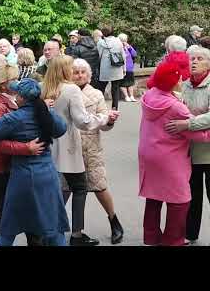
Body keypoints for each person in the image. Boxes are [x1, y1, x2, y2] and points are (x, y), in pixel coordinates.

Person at [0, 78, 69, 246]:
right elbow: (61, 129)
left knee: (9, 226)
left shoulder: (14, 118)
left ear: (21, 98)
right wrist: (47, 110)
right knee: (54, 225)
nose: (14, 96)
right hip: (48, 175)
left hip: (23, 177)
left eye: (17, 94)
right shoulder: (45, 112)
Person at [42, 55, 118, 246]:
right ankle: (73, 234)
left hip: (53, 146)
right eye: (72, 68)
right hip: (70, 146)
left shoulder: (48, 88)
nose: (75, 72)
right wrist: (103, 117)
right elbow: (82, 121)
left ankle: (48, 231)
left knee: (59, 190)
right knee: (78, 188)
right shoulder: (70, 89)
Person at [139, 60, 210, 246]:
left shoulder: (150, 95)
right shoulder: (175, 106)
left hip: (149, 153)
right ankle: (173, 239)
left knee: (154, 196)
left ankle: (151, 236)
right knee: (180, 200)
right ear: (174, 80)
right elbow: (200, 135)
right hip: (170, 158)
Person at [71, 58, 124, 244]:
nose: (79, 75)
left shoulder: (96, 95)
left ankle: (114, 221)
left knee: (100, 186)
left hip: (91, 148)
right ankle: (51, 228)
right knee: (62, 190)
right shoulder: (64, 92)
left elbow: (104, 125)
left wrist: (110, 120)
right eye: (75, 72)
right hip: (68, 149)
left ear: (89, 74)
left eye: (82, 72)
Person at [163, 46, 210, 244]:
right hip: (188, 150)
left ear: (208, 64)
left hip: (208, 150)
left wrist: (188, 124)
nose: (194, 62)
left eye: (199, 58)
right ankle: (190, 235)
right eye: (192, 58)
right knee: (192, 195)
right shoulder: (184, 84)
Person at [97, 25, 126, 110]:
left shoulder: (100, 43)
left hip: (104, 68)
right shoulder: (118, 41)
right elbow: (123, 55)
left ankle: (99, 107)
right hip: (116, 67)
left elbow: (99, 55)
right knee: (115, 89)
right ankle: (115, 108)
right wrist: (124, 69)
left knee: (101, 88)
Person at [118, 33, 138, 102]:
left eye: (125, 40)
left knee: (131, 83)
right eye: (122, 40)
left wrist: (129, 48)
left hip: (129, 69)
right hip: (122, 69)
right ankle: (126, 96)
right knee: (123, 83)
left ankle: (131, 96)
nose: (124, 42)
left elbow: (134, 54)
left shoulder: (128, 47)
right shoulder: (118, 47)